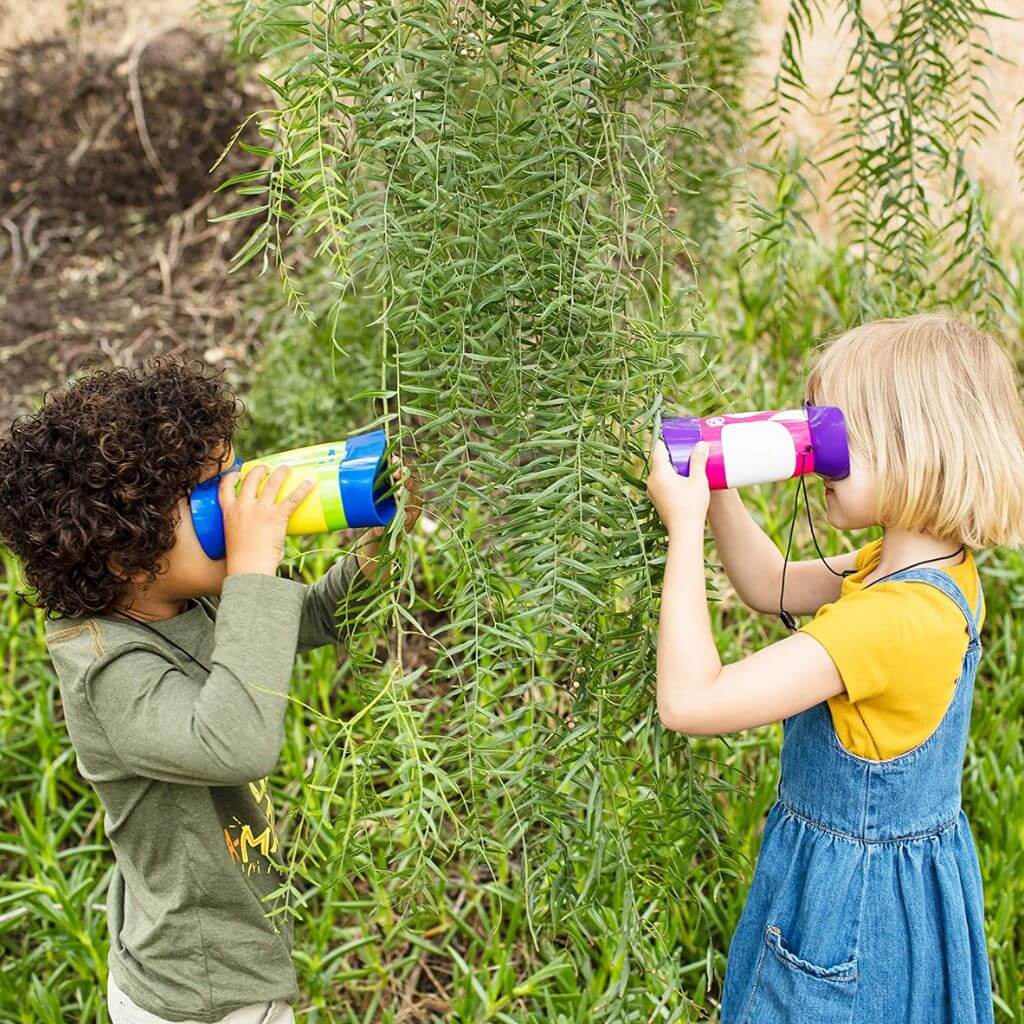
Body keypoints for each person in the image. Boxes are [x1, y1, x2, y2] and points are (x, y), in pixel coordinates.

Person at [0, 357, 419, 1024]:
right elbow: (236, 742)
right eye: (209, 498)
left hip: (233, 958)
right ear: (122, 547)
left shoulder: (181, 602)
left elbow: (305, 620)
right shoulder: (108, 673)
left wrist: (373, 552)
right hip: (194, 995)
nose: (235, 504)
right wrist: (252, 569)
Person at [646, 313, 1024, 1024]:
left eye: (836, 440)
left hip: (845, 919)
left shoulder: (891, 622)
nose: (817, 456)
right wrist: (715, 479)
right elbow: (773, 585)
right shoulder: (923, 571)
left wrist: (685, 528)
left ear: (914, 454)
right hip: (902, 899)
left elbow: (690, 701)